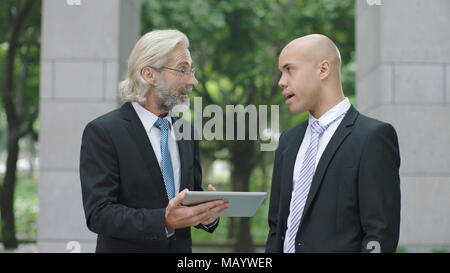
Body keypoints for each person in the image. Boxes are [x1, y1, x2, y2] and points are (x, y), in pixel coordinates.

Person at [79, 29, 228, 253]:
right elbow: (99, 214)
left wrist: (206, 215)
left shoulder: (187, 132)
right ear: (149, 74)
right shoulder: (103, 132)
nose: (193, 81)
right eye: (182, 70)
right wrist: (164, 220)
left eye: (192, 70)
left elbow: (186, 198)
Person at [266, 34, 401, 253]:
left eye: (289, 69)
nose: (281, 81)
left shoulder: (373, 138)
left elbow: (380, 235)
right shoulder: (288, 141)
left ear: (323, 69)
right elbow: (276, 228)